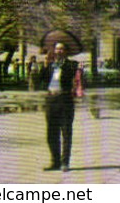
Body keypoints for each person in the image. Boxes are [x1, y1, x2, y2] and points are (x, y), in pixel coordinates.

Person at [40, 41, 79, 171]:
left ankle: (65, 162)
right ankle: (54, 161)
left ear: (66, 51)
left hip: (65, 99)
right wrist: (46, 65)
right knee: (51, 132)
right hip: (51, 99)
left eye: (61, 49)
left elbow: (71, 75)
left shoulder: (72, 65)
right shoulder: (50, 65)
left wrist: (59, 65)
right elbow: (42, 80)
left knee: (66, 132)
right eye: (57, 49)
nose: (59, 51)